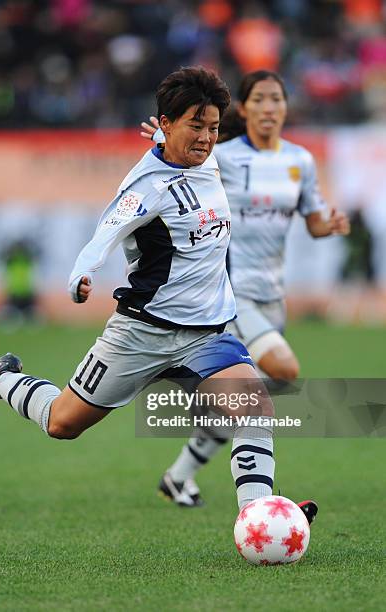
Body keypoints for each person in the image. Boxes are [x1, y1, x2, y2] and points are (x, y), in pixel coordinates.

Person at [0, 67, 313, 522]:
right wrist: (82, 273)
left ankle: (260, 518)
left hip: (206, 333)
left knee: (254, 407)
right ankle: (2, 378)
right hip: (142, 334)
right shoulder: (148, 187)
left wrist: (190, 135)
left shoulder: (210, 158)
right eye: (195, 127)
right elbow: (107, 230)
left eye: (213, 128)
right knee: (62, 423)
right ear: (165, 123)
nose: (206, 138)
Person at [141, 70, 350, 508]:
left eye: (277, 99)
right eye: (261, 99)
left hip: (273, 295)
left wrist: (327, 226)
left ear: (286, 107)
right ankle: (259, 508)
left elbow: (311, 221)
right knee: (284, 370)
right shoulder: (224, 155)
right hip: (231, 291)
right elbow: (182, 167)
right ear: (245, 108)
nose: (270, 107)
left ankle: (179, 476)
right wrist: (161, 146)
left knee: (243, 399)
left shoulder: (300, 161)